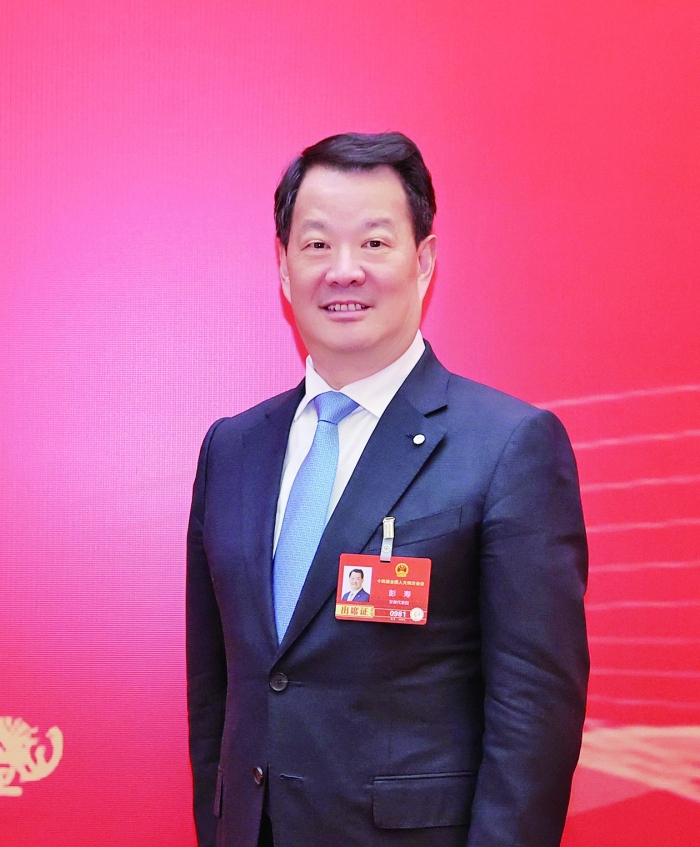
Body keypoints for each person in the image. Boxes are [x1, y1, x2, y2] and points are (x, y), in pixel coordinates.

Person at [186, 132, 589, 847]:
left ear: (423, 261)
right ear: (283, 266)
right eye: (316, 245)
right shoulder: (232, 449)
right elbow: (218, 691)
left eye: (374, 243)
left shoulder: (508, 446)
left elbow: (534, 713)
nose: (344, 271)